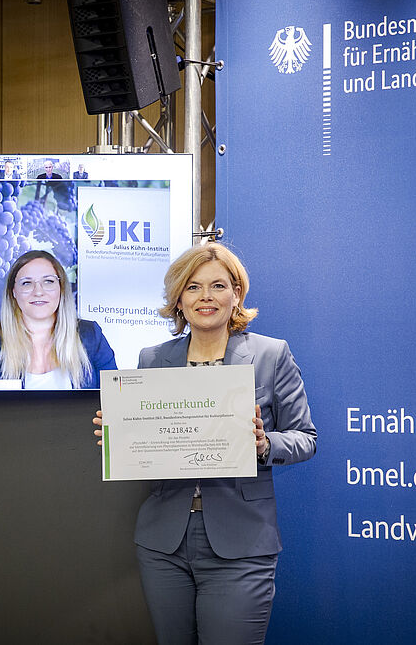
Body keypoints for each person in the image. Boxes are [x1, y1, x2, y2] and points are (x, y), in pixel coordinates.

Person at [92, 242, 317, 644]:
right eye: (193, 287)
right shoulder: (152, 359)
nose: (206, 297)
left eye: (217, 286)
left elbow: (306, 439)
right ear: (178, 300)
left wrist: (264, 444)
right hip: (164, 543)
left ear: (236, 295)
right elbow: (148, 439)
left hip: (242, 544)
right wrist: (119, 434)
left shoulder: (271, 354)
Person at [0, 250, 115, 388]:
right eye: (26, 283)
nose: (38, 292)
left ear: (61, 288)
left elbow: (116, 398)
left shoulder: (91, 335)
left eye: (48, 281)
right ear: (13, 291)